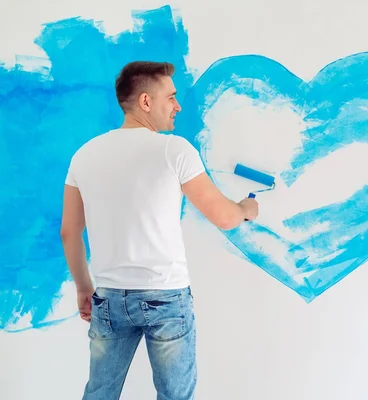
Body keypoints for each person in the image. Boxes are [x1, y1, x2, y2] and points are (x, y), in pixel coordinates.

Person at [59, 61, 258, 400]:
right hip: (164, 298)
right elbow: (225, 217)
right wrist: (246, 209)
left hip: (107, 299)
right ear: (146, 102)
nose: (177, 106)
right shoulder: (173, 150)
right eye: (171, 97)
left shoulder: (84, 155)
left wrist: (83, 288)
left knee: (99, 393)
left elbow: (69, 231)